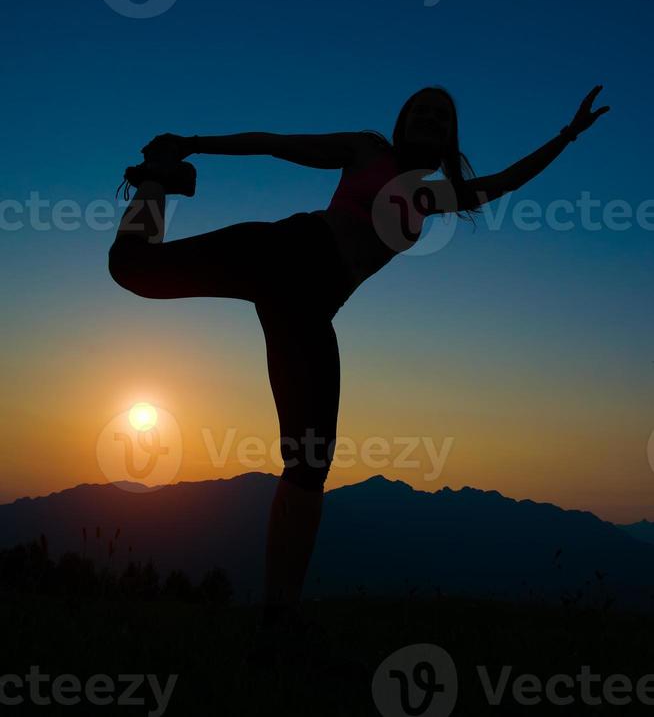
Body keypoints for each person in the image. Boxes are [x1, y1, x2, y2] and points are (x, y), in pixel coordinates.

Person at [107, 83, 609, 663]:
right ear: (400, 123)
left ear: (449, 137)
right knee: (133, 267)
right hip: (284, 253)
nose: (427, 118)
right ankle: (156, 180)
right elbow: (275, 144)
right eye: (419, 109)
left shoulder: (433, 199)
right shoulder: (367, 150)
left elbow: (507, 182)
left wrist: (566, 138)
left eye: (440, 116)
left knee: (310, 461)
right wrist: (191, 144)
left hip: (311, 309)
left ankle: (279, 618)